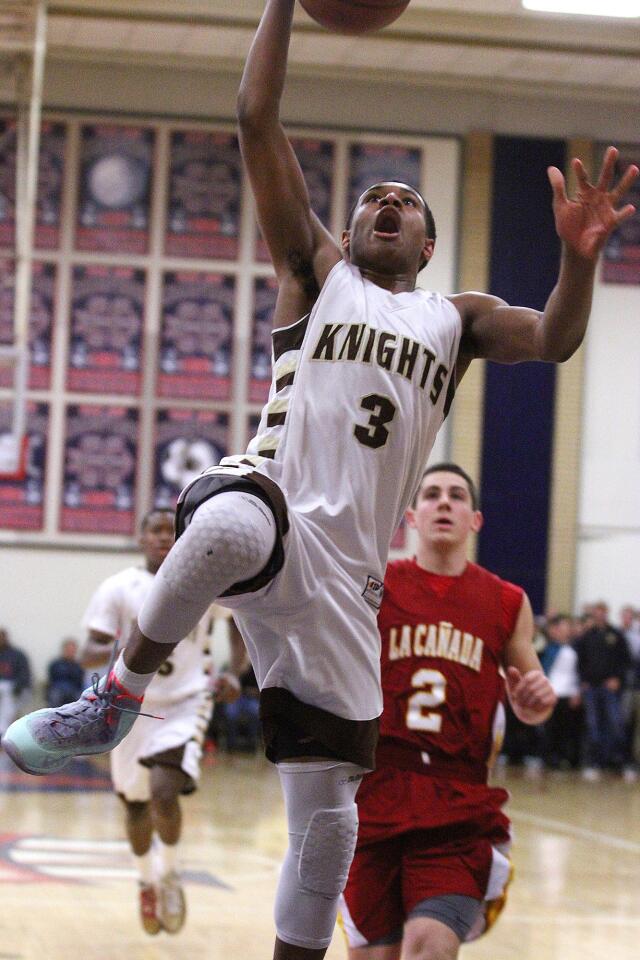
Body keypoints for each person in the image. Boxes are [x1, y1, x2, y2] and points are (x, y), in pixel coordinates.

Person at [2, 2, 637, 957]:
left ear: (427, 244)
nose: (387, 203)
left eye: (406, 202)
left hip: (349, 583)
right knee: (222, 530)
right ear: (346, 227)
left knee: (330, 815)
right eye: (372, 197)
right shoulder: (316, 269)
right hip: (276, 504)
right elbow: (256, 116)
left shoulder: (455, 319)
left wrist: (578, 260)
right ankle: (114, 696)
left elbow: (552, 336)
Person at [339, 463, 556, 960]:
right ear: (411, 516)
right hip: (375, 793)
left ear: (474, 520)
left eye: (456, 496)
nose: (443, 503)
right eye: (432, 495)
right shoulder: (374, 587)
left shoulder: (506, 601)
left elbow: (531, 700)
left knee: (430, 947)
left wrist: (535, 704)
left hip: (456, 804)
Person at [79, 508, 246, 935]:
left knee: (162, 791)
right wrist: (118, 647)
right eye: (154, 530)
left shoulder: (205, 584)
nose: (163, 538)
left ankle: (169, 873)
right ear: (140, 539)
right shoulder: (118, 587)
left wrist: (234, 672)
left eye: (171, 532)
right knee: (134, 805)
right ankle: (145, 881)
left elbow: (241, 626)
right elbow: (87, 652)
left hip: (186, 702)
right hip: (129, 705)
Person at [575, 601, 631, 781]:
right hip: (591, 687)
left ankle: (618, 761)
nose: (600, 615)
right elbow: (580, 660)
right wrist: (583, 680)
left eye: (602, 612)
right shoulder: (587, 636)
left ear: (607, 613)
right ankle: (594, 762)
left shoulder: (616, 635)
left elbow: (625, 660)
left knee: (616, 723)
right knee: (593, 725)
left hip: (610, 687)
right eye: (597, 612)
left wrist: (617, 678)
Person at [539, 614, 583, 770]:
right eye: (562, 627)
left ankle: (564, 757)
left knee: (566, 728)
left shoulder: (574, 648)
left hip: (567, 692)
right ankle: (548, 757)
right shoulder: (549, 648)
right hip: (552, 691)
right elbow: (543, 669)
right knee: (551, 727)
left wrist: (576, 691)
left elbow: (576, 673)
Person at [0, 627, 32, 738]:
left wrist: (17, 687)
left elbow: (25, 676)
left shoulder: (17, 655)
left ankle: (3, 732)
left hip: (17, 691)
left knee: (5, 691)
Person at [46, 637, 85, 707]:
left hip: (74, 691)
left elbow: (80, 682)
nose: (70, 652)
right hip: (58, 691)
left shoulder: (79, 666)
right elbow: (51, 680)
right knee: (55, 696)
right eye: (68, 650)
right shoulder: (55, 664)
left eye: (72, 650)